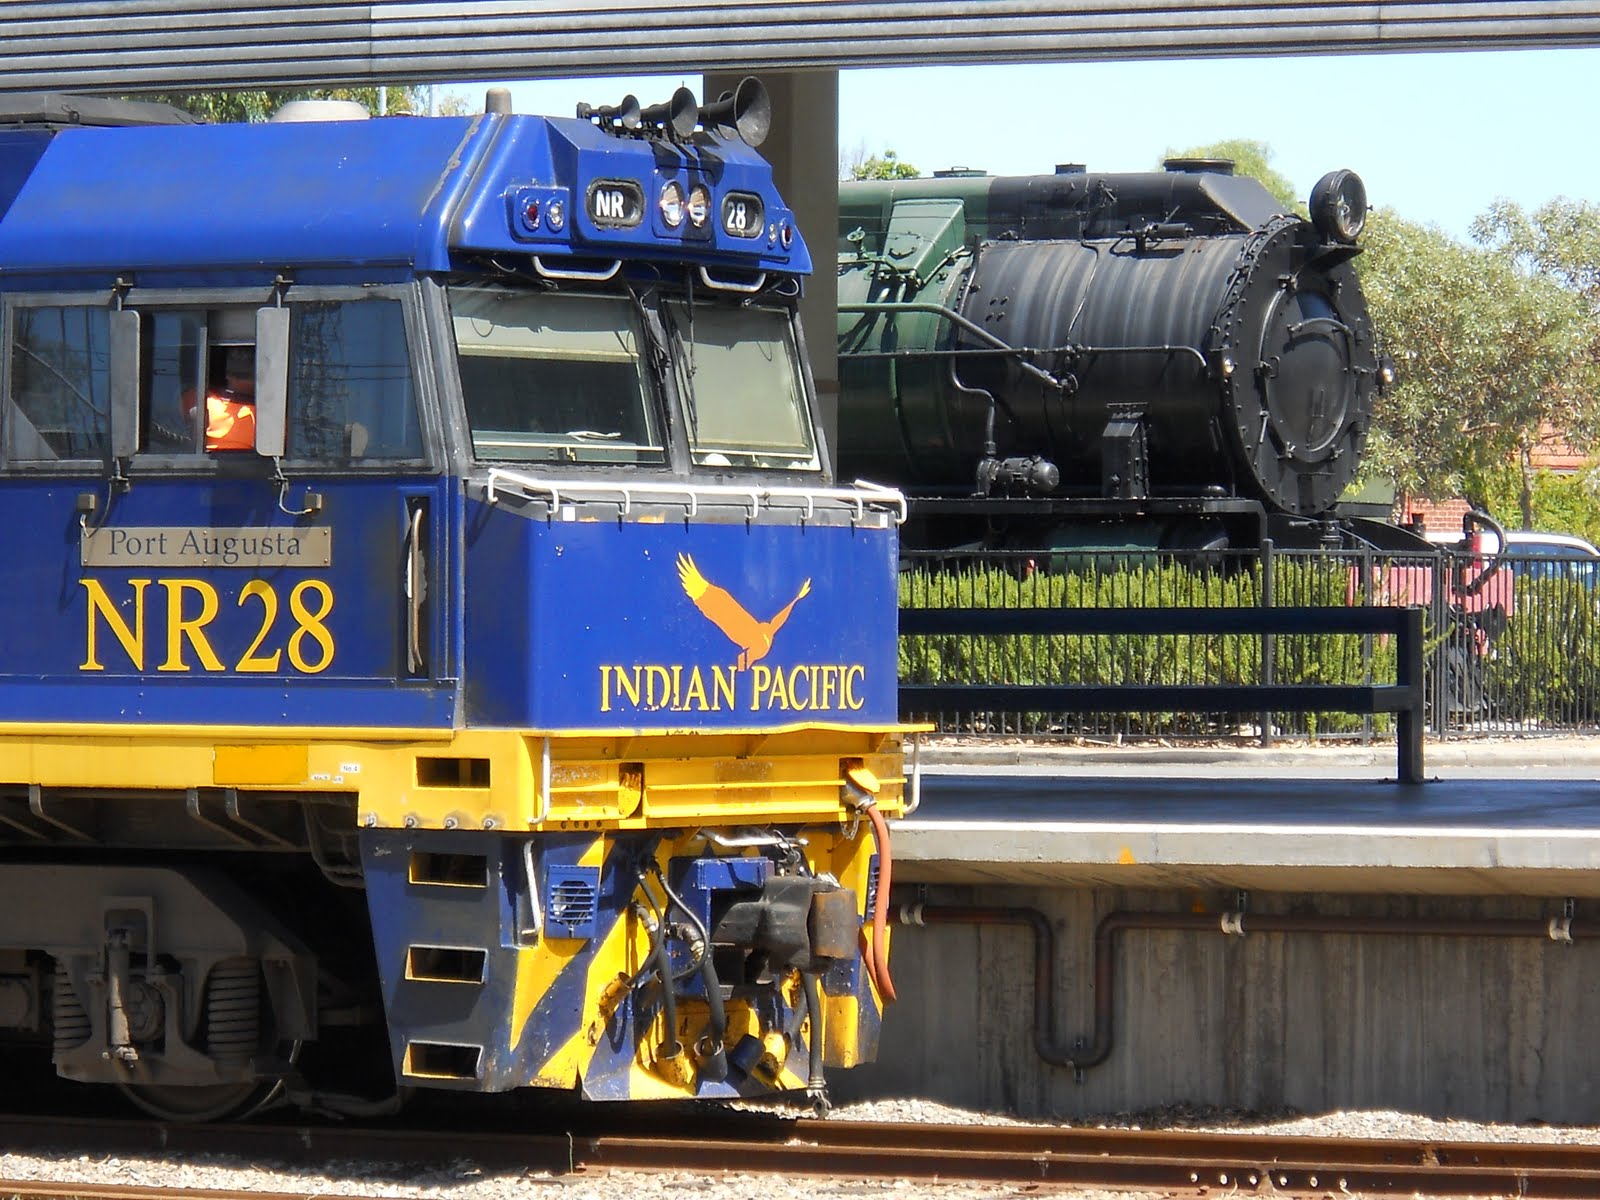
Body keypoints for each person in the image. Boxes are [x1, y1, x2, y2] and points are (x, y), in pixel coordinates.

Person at [183, 345, 257, 452]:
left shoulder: (273, 410)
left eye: (243, 375)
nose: (234, 379)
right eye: (234, 374)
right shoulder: (203, 400)